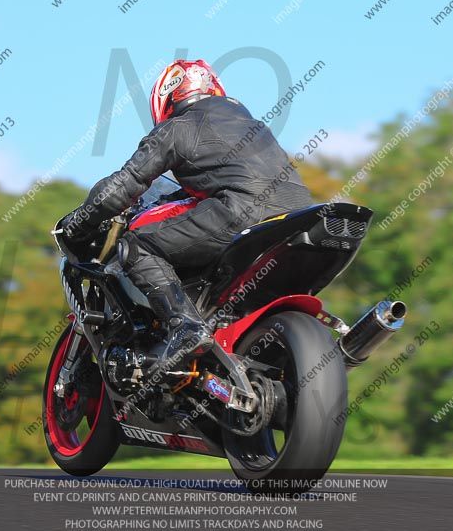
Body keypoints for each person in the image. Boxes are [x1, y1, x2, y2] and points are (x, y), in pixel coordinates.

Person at [60, 59, 313, 368]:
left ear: (168, 100)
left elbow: (122, 187)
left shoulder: (178, 128)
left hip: (244, 213)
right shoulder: (253, 126)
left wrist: (79, 222)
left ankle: (185, 328)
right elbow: (232, 177)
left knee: (138, 246)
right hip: (300, 216)